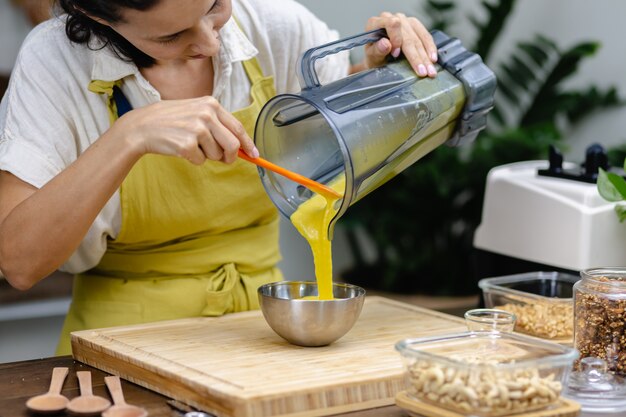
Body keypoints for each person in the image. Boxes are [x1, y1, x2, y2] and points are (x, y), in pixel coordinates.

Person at [0, 0, 439, 355]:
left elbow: (343, 126)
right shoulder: (54, 63)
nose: (210, 42)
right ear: (94, 14)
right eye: (171, 36)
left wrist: (381, 72)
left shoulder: (272, 25)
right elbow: (19, 263)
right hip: (123, 349)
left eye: (215, 5)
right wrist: (128, 136)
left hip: (263, 337)